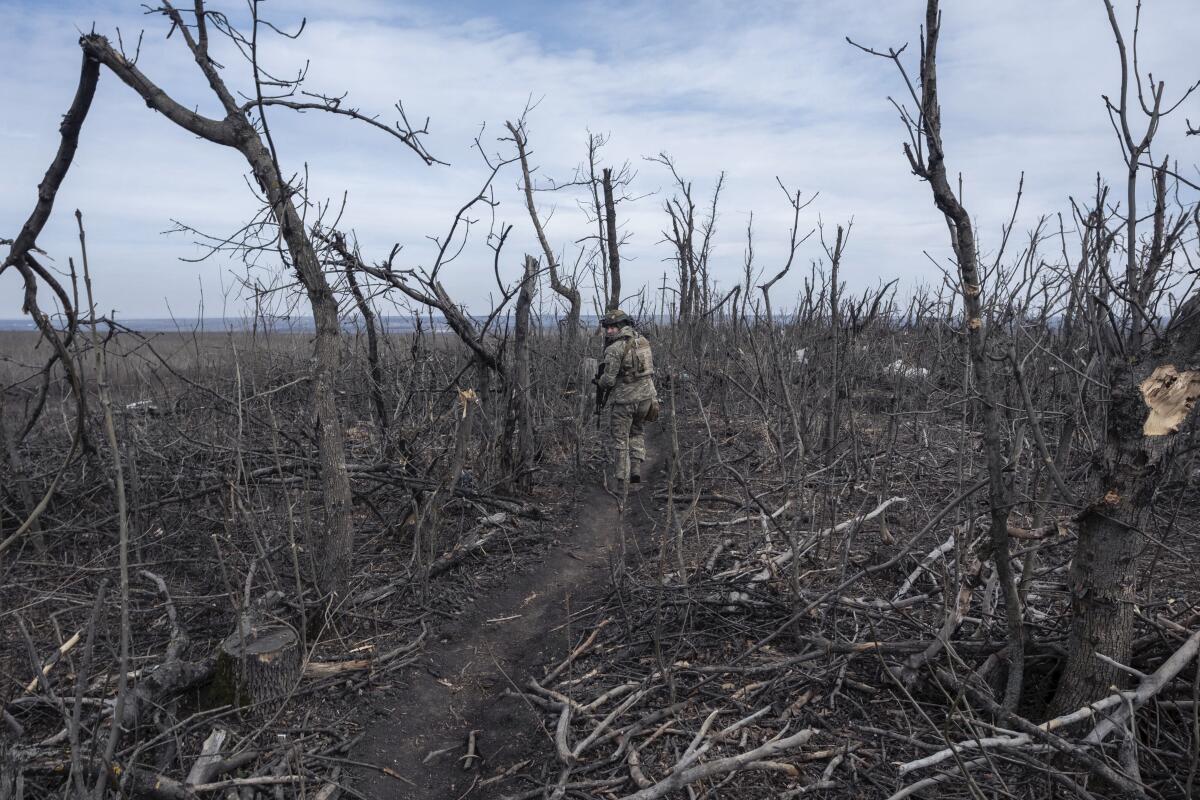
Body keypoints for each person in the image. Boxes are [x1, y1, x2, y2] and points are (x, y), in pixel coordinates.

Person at [595, 309, 657, 485]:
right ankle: (636, 471)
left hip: (625, 400)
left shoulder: (614, 348)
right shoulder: (643, 341)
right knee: (637, 431)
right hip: (646, 397)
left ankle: (622, 481)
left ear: (621, 326)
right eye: (607, 328)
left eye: (613, 327)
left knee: (621, 439)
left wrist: (599, 382)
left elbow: (608, 380)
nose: (609, 331)